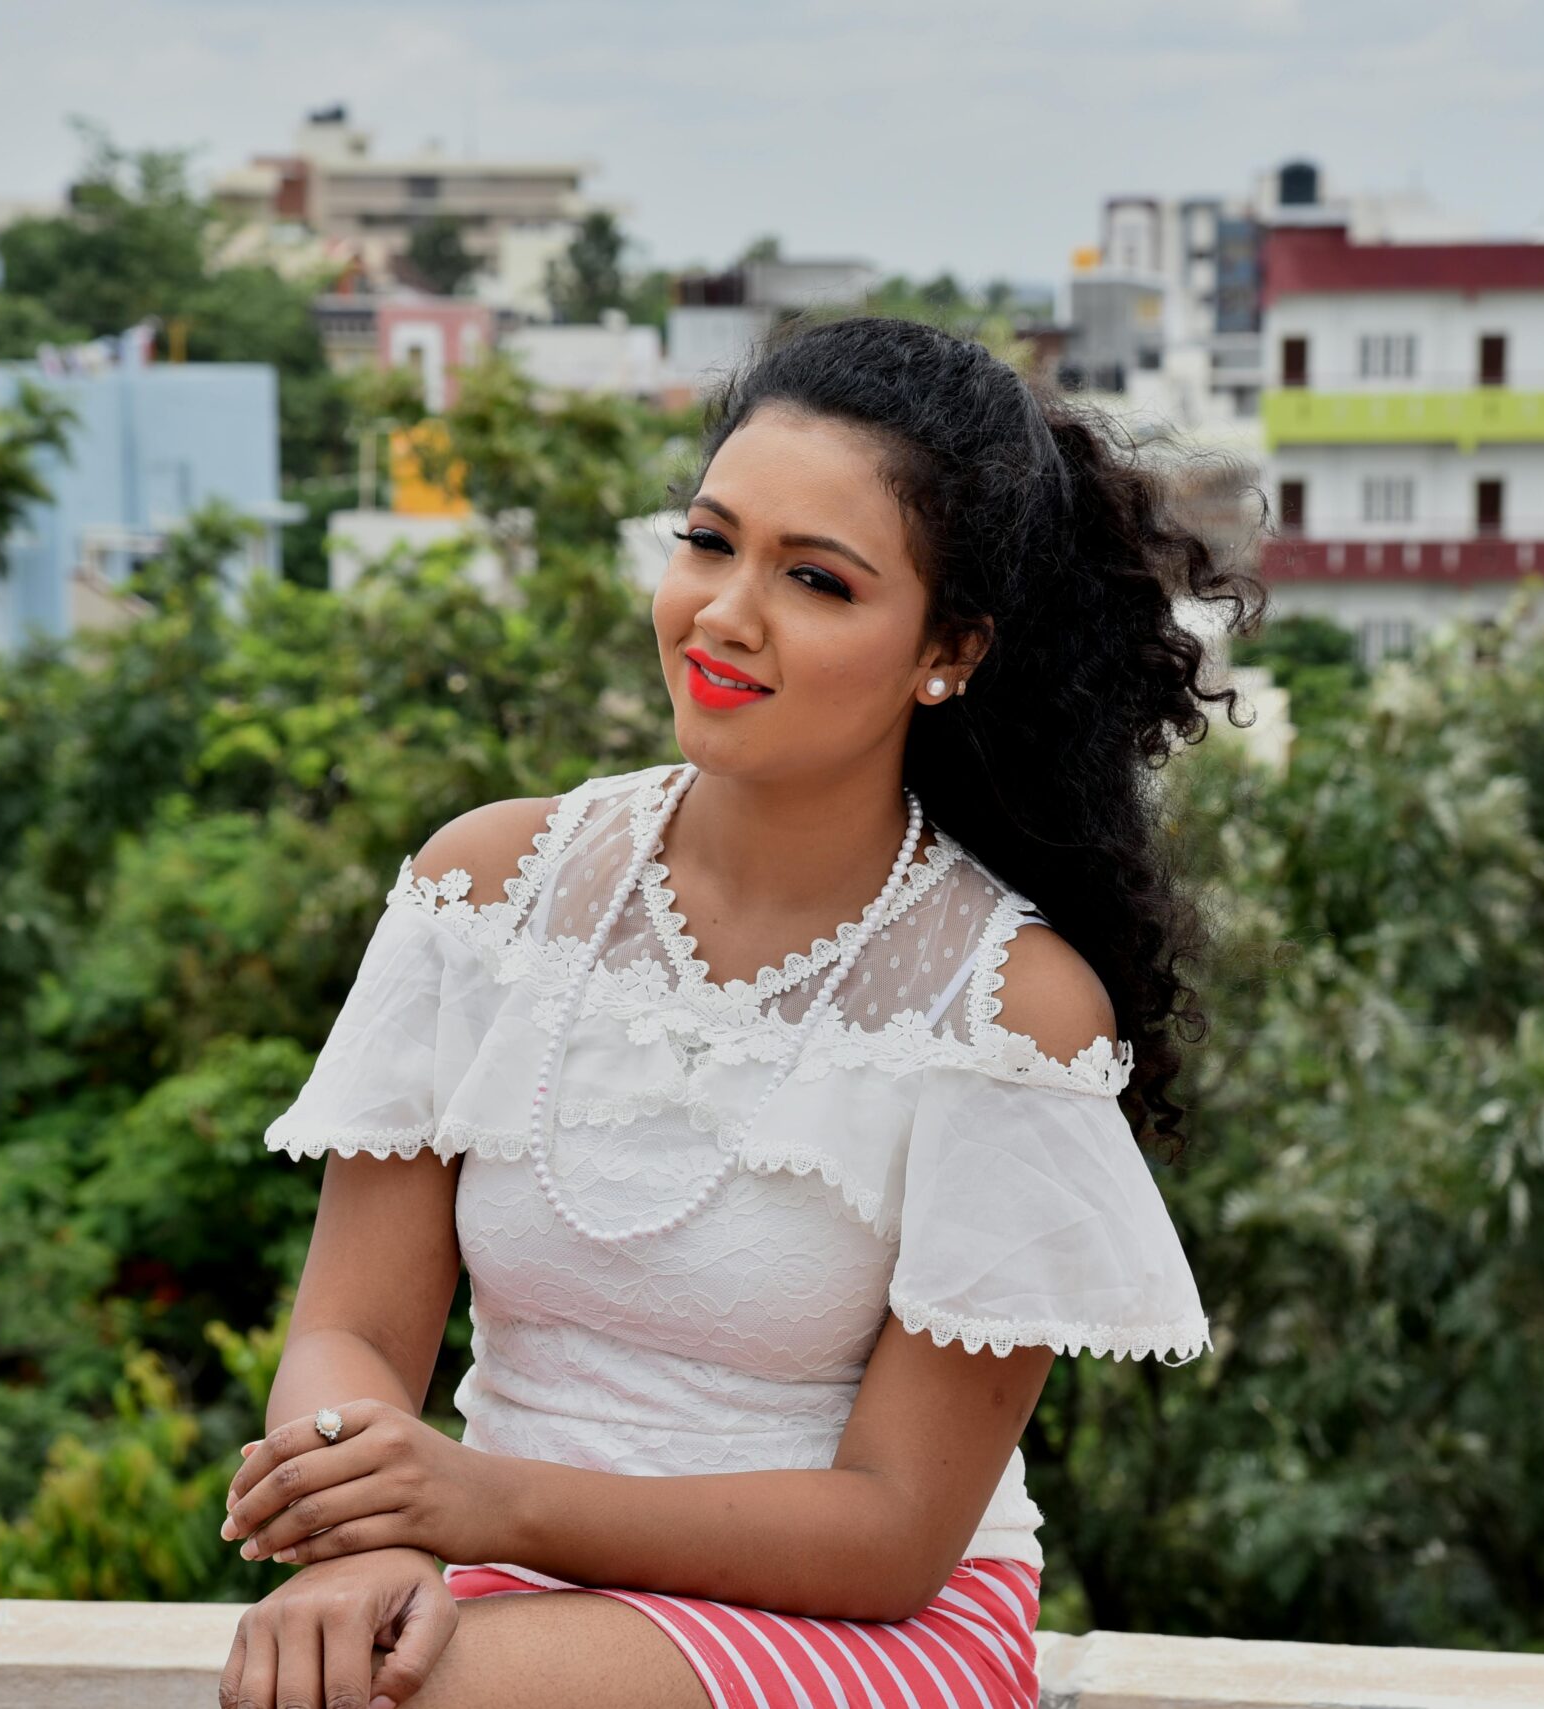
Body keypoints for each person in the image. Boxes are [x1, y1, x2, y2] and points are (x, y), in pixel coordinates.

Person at [215, 314, 1266, 1709]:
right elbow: (348, 1328)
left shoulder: (1008, 1005)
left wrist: (474, 1506)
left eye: (817, 580)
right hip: (507, 1580)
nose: (724, 612)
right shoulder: (488, 890)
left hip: (859, 1623)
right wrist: (352, 1543)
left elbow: (894, 1529)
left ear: (947, 651)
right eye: (709, 542)